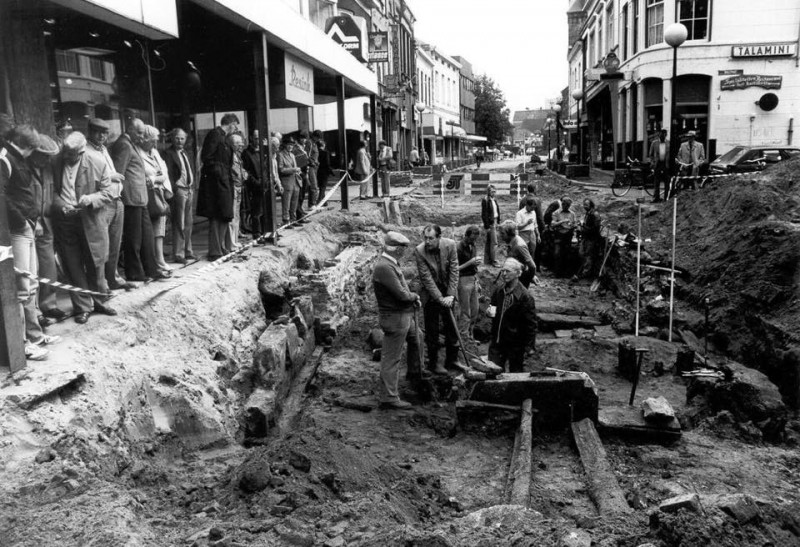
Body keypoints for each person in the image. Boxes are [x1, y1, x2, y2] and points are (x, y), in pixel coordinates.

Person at [4, 124, 60, 357]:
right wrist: (21, 221)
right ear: (26, 146)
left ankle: (35, 336)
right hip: (18, 230)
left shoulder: (18, 160)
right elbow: (3, 196)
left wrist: (31, 220)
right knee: (21, 288)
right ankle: (23, 343)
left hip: (26, 227)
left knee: (32, 283)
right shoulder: (6, 159)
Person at [52, 132, 117, 324]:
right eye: (65, 153)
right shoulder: (55, 162)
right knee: (72, 265)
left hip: (91, 220)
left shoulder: (98, 163)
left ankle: (100, 302)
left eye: (70, 155)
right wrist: (61, 205)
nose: (66, 157)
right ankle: (82, 307)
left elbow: (108, 193)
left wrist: (90, 199)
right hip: (66, 221)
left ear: (81, 153)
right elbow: (51, 191)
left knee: (95, 263)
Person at [373, 231, 427, 410]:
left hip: (403, 316)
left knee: (417, 336)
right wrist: (414, 296)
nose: (405, 252)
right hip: (395, 318)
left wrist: (411, 298)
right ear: (396, 249)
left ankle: (414, 373)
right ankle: (389, 397)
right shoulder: (384, 267)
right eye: (403, 249)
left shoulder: (391, 263)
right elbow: (401, 294)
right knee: (391, 358)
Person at [111, 118, 163, 281]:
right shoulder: (123, 145)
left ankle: (152, 270)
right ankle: (134, 273)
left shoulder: (130, 144)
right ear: (130, 130)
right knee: (134, 239)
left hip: (140, 198)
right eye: (139, 133)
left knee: (146, 237)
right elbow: (119, 173)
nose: (142, 137)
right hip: (131, 199)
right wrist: (124, 197)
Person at [85, 118, 132, 290]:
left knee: (115, 244)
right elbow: (89, 177)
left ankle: (113, 278)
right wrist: (110, 176)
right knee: (101, 246)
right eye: (97, 132)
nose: (101, 136)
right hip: (102, 203)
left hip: (116, 200)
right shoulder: (86, 151)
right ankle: (101, 283)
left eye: (104, 133)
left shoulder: (104, 149)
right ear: (89, 131)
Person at [28, 134, 64, 326]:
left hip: (47, 224)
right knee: (31, 270)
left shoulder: (48, 169)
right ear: (34, 153)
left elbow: (54, 194)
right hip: (29, 225)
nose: (47, 159)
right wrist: (34, 220)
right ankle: (34, 312)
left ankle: (49, 304)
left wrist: (62, 205)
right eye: (44, 155)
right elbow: (23, 199)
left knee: (48, 266)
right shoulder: (22, 169)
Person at [415, 224, 460, 375]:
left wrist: (451, 294)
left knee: (451, 327)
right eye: (425, 238)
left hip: (448, 292)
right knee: (432, 329)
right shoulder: (420, 251)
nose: (427, 241)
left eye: (431, 238)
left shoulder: (450, 245)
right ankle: (434, 363)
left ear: (439, 237)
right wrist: (440, 298)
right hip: (431, 294)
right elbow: (426, 278)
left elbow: (454, 270)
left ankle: (452, 360)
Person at [197, 113, 238, 260]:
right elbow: (207, 158)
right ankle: (215, 251)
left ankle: (221, 247)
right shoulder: (215, 135)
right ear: (231, 123)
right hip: (216, 185)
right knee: (216, 215)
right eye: (235, 125)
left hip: (223, 182)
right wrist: (220, 174)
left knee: (224, 215)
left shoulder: (222, 137)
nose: (235, 129)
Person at [486, 258, 537, 373]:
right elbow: (493, 307)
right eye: (503, 271)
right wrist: (490, 312)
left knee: (515, 373)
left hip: (515, 344)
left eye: (508, 271)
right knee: (493, 373)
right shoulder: (499, 291)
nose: (504, 274)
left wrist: (529, 346)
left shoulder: (525, 297)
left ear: (518, 273)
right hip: (497, 341)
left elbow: (531, 324)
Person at [139, 125, 173, 273]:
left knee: (160, 229)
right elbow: (145, 176)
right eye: (152, 140)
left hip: (159, 194)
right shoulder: (138, 152)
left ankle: (160, 259)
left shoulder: (154, 152)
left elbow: (164, 172)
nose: (154, 144)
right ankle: (154, 261)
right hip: (148, 195)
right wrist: (156, 178)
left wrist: (157, 179)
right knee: (150, 230)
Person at [164, 128, 196, 263]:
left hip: (189, 190)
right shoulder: (168, 153)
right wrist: (175, 188)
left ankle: (188, 251)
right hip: (179, 191)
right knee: (179, 223)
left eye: (182, 138)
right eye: (177, 138)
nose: (180, 141)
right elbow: (168, 173)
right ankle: (178, 254)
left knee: (188, 222)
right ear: (172, 138)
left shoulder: (186, 153)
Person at [456, 226, 482, 340]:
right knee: (465, 311)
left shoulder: (473, 245)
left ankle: (470, 335)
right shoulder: (458, 248)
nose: (474, 241)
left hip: (473, 278)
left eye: (475, 239)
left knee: (475, 310)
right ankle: (463, 336)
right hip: (463, 280)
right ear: (466, 236)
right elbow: (454, 268)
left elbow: (474, 266)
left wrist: (477, 279)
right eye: (472, 239)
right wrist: (470, 262)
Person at [241, 130, 266, 238]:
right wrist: (255, 182)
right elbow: (246, 171)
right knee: (256, 211)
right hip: (254, 185)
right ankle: (257, 232)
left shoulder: (263, 152)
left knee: (265, 209)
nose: (258, 141)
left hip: (264, 183)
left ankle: (265, 230)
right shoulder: (247, 153)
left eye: (259, 138)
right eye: (256, 138)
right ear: (251, 138)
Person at [499, 221, 538, 288]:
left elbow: (532, 266)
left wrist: (528, 278)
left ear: (510, 234)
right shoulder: (511, 241)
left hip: (520, 278)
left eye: (502, 233)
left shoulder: (519, 246)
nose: (500, 235)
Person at [574, 198, 602, 280]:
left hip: (591, 238)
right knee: (581, 253)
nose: (584, 206)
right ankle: (584, 271)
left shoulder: (595, 214)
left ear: (591, 205)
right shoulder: (588, 213)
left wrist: (584, 226)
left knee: (588, 256)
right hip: (585, 237)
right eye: (584, 204)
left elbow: (595, 229)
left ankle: (586, 273)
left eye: (586, 205)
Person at [227, 132, 245, 249]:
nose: (241, 146)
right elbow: (233, 170)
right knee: (232, 216)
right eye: (238, 144)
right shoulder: (230, 156)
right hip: (233, 187)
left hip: (239, 186)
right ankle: (231, 242)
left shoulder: (236, 155)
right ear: (232, 144)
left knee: (237, 215)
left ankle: (235, 240)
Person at [277, 134, 301, 225]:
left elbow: (294, 167)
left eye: (292, 145)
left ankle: (293, 219)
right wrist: (293, 170)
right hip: (286, 181)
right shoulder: (280, 155)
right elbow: (281, 169)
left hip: (295, 180)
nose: (291, 146)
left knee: (294, 201)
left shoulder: (292, 155)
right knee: (286, 202)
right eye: (289, 144)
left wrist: (298, 171)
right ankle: (286, 220)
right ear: (285, 145)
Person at [550, 196, 577, 277]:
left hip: (568, 236)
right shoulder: (556, 213)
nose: (567, 207)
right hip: (559, 236)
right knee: (557, 253)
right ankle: (557, 273)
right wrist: (562, 222)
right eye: (565, 205)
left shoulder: (572, 214)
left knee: (567, 254)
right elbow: (553, 224)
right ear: (562, 204)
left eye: (568, 206)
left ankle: (566, 273)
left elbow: (574, 224)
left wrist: (573, 225)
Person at [515, 196, 541, 264]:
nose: (533, 209)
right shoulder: (519, 213)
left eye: (534, 208)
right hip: (523, 234)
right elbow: (517, 227)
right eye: (531, 207)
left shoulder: (533, 212)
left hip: (532, 234)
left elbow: (535, 225)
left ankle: (531, 270)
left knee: (532, 252)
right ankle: (523, 269)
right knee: (523, 253)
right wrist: (526, 223)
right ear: (527, 205)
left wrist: (538, 235)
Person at [480, 184, 501, 266]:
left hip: (495, 221)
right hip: (491, 223)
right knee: (494, 243)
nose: (494, 193)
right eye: (492, 191)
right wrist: (487, 226)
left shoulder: (494, 199)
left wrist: (498, 221)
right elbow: (484, 214)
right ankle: (494, 261)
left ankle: (487, 260)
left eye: (495, 191)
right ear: (488, 191)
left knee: (489, 241)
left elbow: (497, 211)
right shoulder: (485, 200)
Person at [648, 129, 670, 202]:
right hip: (658, 164)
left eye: (664, 134)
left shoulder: (669, 143)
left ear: (666, 135)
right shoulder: (654, 143)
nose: (663, 136)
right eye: (661, 134)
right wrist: (652, 162)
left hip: (666, 164)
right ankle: (656, 197)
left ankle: (666, 198)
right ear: (659, 134)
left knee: (667, 182)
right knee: (656, 182)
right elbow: (651, 154)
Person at [292, 131, 310, 221]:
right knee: (299, 195)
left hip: (304, 172)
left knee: (302, 194)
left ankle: (300, 210)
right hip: (299, 173)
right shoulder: (296, 149)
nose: (304, 140)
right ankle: (299, 214)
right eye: (302, 138)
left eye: (305, 138)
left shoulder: (303, 148)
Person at [313, 130, 332, 206]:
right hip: (324, 172)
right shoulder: (325, 152)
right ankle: (319, 201)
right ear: (323, 145)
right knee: (323, 187)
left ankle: (324, 201)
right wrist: (330, 170)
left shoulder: (317, 152)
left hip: (318, 171)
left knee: (320, 186)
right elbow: (327, 163)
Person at [304, 130, 319, 208]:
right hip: (310, 167)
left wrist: (316, 162)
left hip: (314, 167)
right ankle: (312, 204)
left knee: (314, 185)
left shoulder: (314, 144)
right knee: (313, 185)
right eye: (317, 137)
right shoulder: (309, 143)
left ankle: (313, 202)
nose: (318, 139)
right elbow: (306, 154)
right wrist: (312, 162)